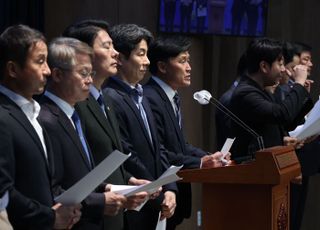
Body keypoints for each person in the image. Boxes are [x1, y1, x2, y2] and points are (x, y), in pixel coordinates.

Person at [63, 20, 151, 230]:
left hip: (113, 217)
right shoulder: (75, 104)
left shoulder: (106, 101)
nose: (115, 53)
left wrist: (129, 181)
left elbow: (110, 157)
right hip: (87, 218)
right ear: (83, 53)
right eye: (107, 46)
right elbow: (82, 168)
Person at [38, 37, 130, 229]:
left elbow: (81, 175)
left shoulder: (73, 114)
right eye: (83, 73)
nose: (89, 80)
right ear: (56, 74)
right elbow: (53, 189)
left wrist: (107, 188)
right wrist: (100, 201)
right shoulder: (46, 119)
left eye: (91, 73)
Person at [144, 35, 229, 229]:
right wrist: (200, 163)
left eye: (188, 60)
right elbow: (160, 152)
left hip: (175, 195)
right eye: (182, 61)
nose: (189, 67)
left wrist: (210, 157)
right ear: (163, 67)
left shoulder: (171, 96)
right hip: (160, 194)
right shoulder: (150, 98)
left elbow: (181, 146)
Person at [0, 24, 80, 229]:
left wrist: (64, 208)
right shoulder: (2, 116)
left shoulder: (34, 112)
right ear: (13, 69)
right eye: (40, 62)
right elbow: (4, 191)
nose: (47, 71)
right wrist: (50, 217)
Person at [104, 24, 177, 230]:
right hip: (135, 203)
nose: (146, 62)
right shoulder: (111, 97)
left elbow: (159, 148)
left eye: (147, 55)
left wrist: (170, 187)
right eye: (141, 54)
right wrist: (158, 188)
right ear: (120, 58)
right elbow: (127, 153)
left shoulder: (142, 95)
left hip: (156, 199)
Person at [230, 38, 312, 161]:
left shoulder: (262, 90)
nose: (284, 69)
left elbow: (286, 124)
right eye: (280, 64)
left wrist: (302, 92)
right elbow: (282, 114)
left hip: (267, 167)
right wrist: (298, 84)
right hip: (253, 170)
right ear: (264, 66)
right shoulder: (246, 93)